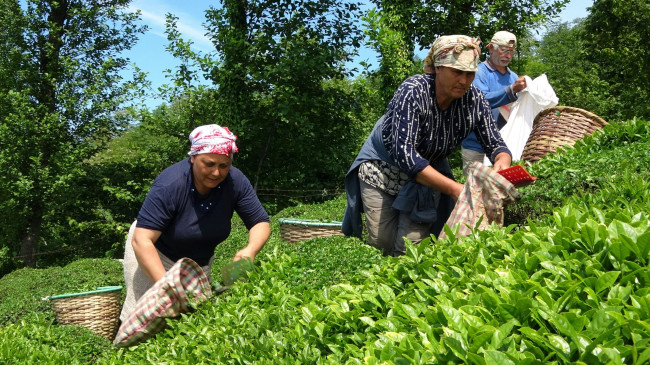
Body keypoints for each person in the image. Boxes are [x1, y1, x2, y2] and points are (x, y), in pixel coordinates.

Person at [341, 35, 512, 257]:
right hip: (383, 171)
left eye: (469, 74)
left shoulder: (474, 100)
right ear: (438, 68)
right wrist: (454, 188)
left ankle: (404, 288)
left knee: (411, 249)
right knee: (381, 241)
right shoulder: (414, 91)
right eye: (457, 72)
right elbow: (406, 155)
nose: (463, 80)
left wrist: (502, 162)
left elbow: (496, 143)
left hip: (427, 175)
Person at [120, 124, 271, 321]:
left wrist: (250, 249)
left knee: (195, 318)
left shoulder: (235, 182)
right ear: (193, 157)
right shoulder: (171, 184)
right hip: (156, 251)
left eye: (223, 166)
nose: (216, 173)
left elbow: (261, 221)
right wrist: (168, 288)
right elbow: (142, 240)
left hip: (198, 259)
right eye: (208, 164)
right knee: (146, 318)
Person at [461, 31, 527, 176]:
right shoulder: (479, 72)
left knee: (500, 190)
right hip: (476, 146)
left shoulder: (513, 77)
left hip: (502, 148)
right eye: (504, 50)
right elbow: (480, 100)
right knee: (475, 190)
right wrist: (511, 90)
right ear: (491, 48)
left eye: (511, 52)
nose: (508, 56)